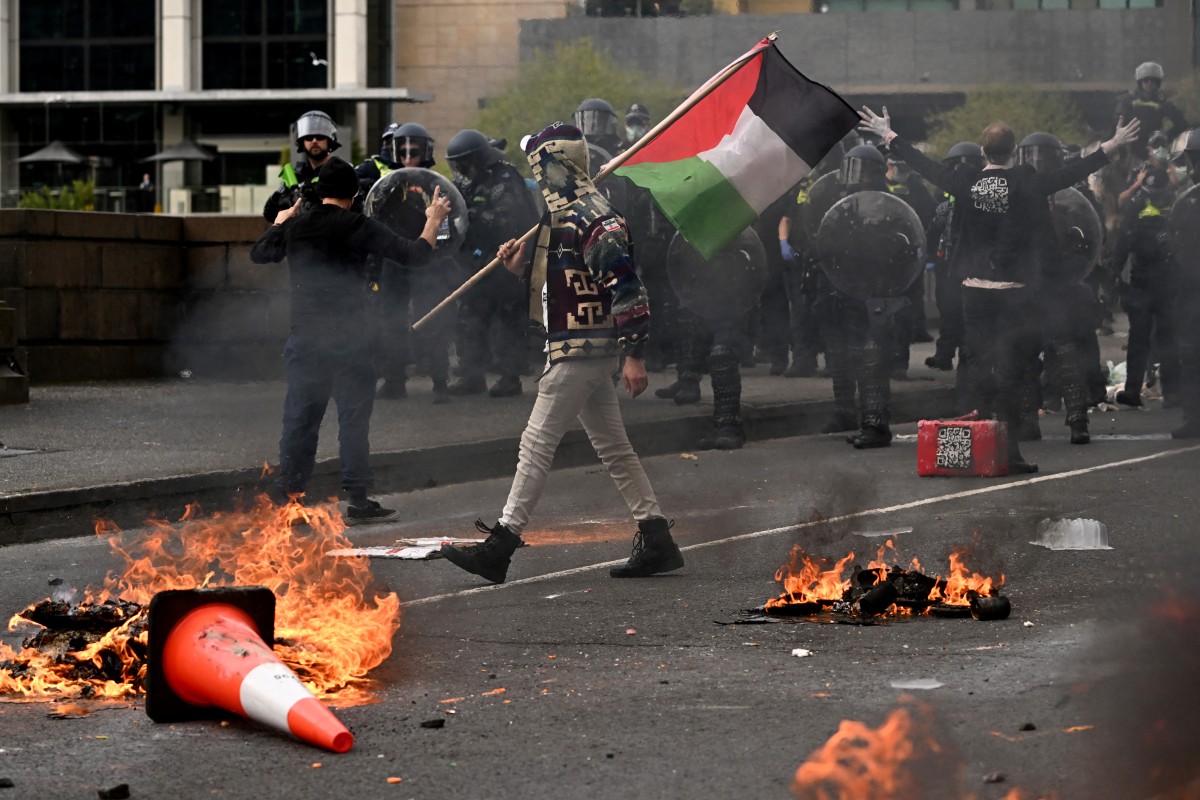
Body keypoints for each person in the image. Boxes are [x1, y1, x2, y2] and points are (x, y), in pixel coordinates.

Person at [439, 122, 684, 584]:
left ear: (556, 166)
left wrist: (636, 354)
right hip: (581, 350)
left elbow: (629, 289)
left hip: (579, 354)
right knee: (615, 449)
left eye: (541, 165)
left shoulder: (595, 219)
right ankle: (657, 540)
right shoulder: (570, 217)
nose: (537, 175)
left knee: (534, 446)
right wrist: (519, 268)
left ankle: (500, 547)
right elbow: (563, 286)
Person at [860, 105, 1141, 472]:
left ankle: (971, 450)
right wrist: (1113, 144)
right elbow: (1073, 171)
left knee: (977, 364)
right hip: (1014, 292)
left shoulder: (966, 182)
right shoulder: (1028, 182)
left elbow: (925, 166)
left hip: (974, 290)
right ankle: (1008, 453)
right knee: (1012, 369)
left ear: (982, 151)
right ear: (1014, 151)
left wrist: (889, 136)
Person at [250, 157, 452, 523]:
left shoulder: (297, 227)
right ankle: (358, 500)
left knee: (301, 421)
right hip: (351, 341)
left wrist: (280, 223)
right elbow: (416, 255)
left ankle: (290, 503)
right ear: (355, 192)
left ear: (319, 193)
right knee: (354, 420)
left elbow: (259, 253)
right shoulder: (360, 224)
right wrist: (433, 221)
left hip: (306, 339)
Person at [446, 129, 540, 398]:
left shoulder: (505, 178)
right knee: (471, 316)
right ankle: (472, 375)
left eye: (464, 162)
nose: (461, 169)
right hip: (479, 258)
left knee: (506, 319)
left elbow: (509, 221)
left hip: (509, 259)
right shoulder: (472, 182)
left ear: (477, 158)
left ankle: (510, 378)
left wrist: (476, 218)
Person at [1111, 165, 1179, 410]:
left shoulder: (1137, 206)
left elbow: (1122, 244)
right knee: (1167, 338)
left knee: (1140, 338)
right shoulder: (1176, 204)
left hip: (1143, 282)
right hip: (1167, 282)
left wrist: (1113, 273)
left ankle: (1132, 390)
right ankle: (1172, 393)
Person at [262, 110, 339, 223]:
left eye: (319, 137)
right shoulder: (296, 176)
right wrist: (279, 199)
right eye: (308, 137)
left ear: (329, 140)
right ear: (302, 142)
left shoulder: (339, 172)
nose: (314, 141)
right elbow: (270, 214)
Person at [1114, 62, 1188, 160]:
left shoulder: (1163, 103)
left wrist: (1166, 137)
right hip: (1130, 148)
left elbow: (1181, 124)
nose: (1150, 83)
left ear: (1158, 82)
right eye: (1146, 80)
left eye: (1154, 80)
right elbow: (1116, 121)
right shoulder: (1128, 100)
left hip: (1154, 149)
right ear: (1140, 82)